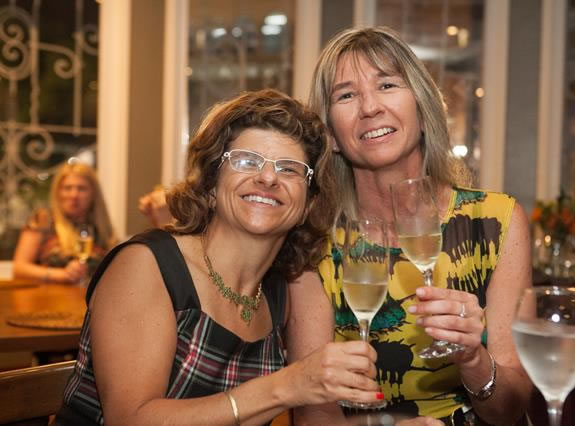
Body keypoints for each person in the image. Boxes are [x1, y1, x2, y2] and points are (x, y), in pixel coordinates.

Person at [55, 89, 386, 425]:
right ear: (211, 185)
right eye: (246, 161)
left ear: (308, 204)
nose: (268, 177)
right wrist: (287, 386)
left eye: (289, 169)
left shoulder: (287, 289)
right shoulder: (147, 266)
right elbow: (129, 420)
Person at [287, 27, 533, 425]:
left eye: (387, 85)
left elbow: (510, 409)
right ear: (330, 135)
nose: (370, 107)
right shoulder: (312, 242)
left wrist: (472, 358)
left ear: (421, 108)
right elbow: (315, 414)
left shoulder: (496, 222)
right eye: (346, 95)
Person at [13, 162, 117, 284]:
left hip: (91, 295)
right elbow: (19, 269)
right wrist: (62, 274)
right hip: (49, 294)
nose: (74, 195)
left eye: (81, 188)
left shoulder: (101, 227)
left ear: (93, 193)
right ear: (58, 192)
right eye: (67, 188)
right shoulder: (43, 220)